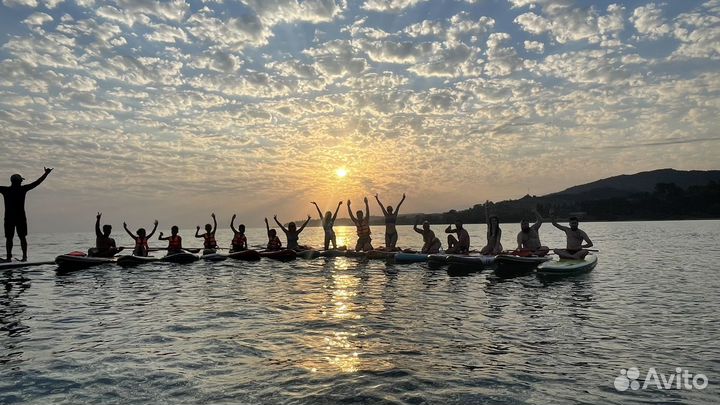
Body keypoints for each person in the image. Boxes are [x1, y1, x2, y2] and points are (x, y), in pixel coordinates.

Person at [0, 167, 53, 262]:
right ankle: (24, 257)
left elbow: (36, 183)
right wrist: (46, 174)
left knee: (9, 238)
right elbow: (37, 182)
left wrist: (46, 174)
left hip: (9, 218)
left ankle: (8, 258)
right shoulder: (23, 189)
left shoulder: (5, 190)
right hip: (20, 218)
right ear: (20, 181)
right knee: (22, 237)